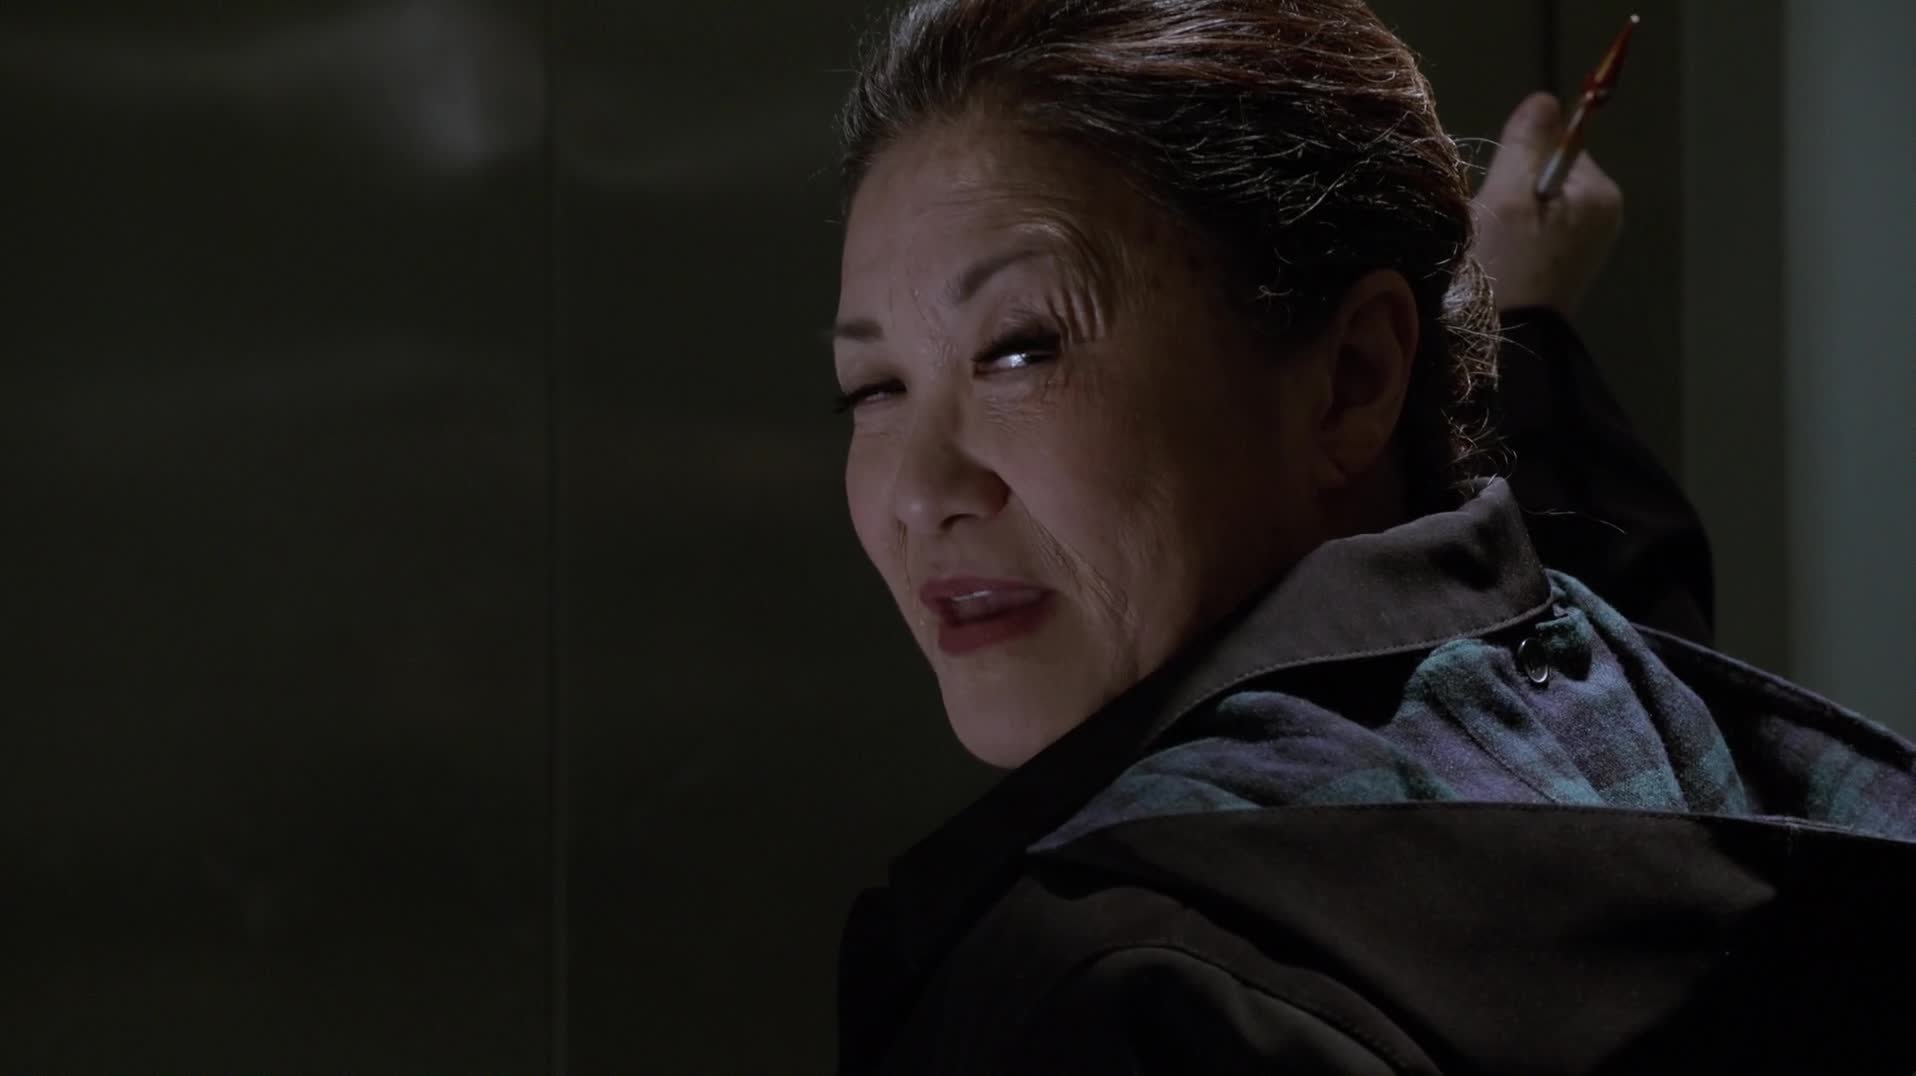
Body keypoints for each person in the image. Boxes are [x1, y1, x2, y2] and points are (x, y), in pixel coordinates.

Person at [826, 2, 1916, 1072]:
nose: (918, 493)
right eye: (872, 386)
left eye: (1020, 350)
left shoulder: (1116, 994)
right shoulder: (1638, 756)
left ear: (1352, 378)